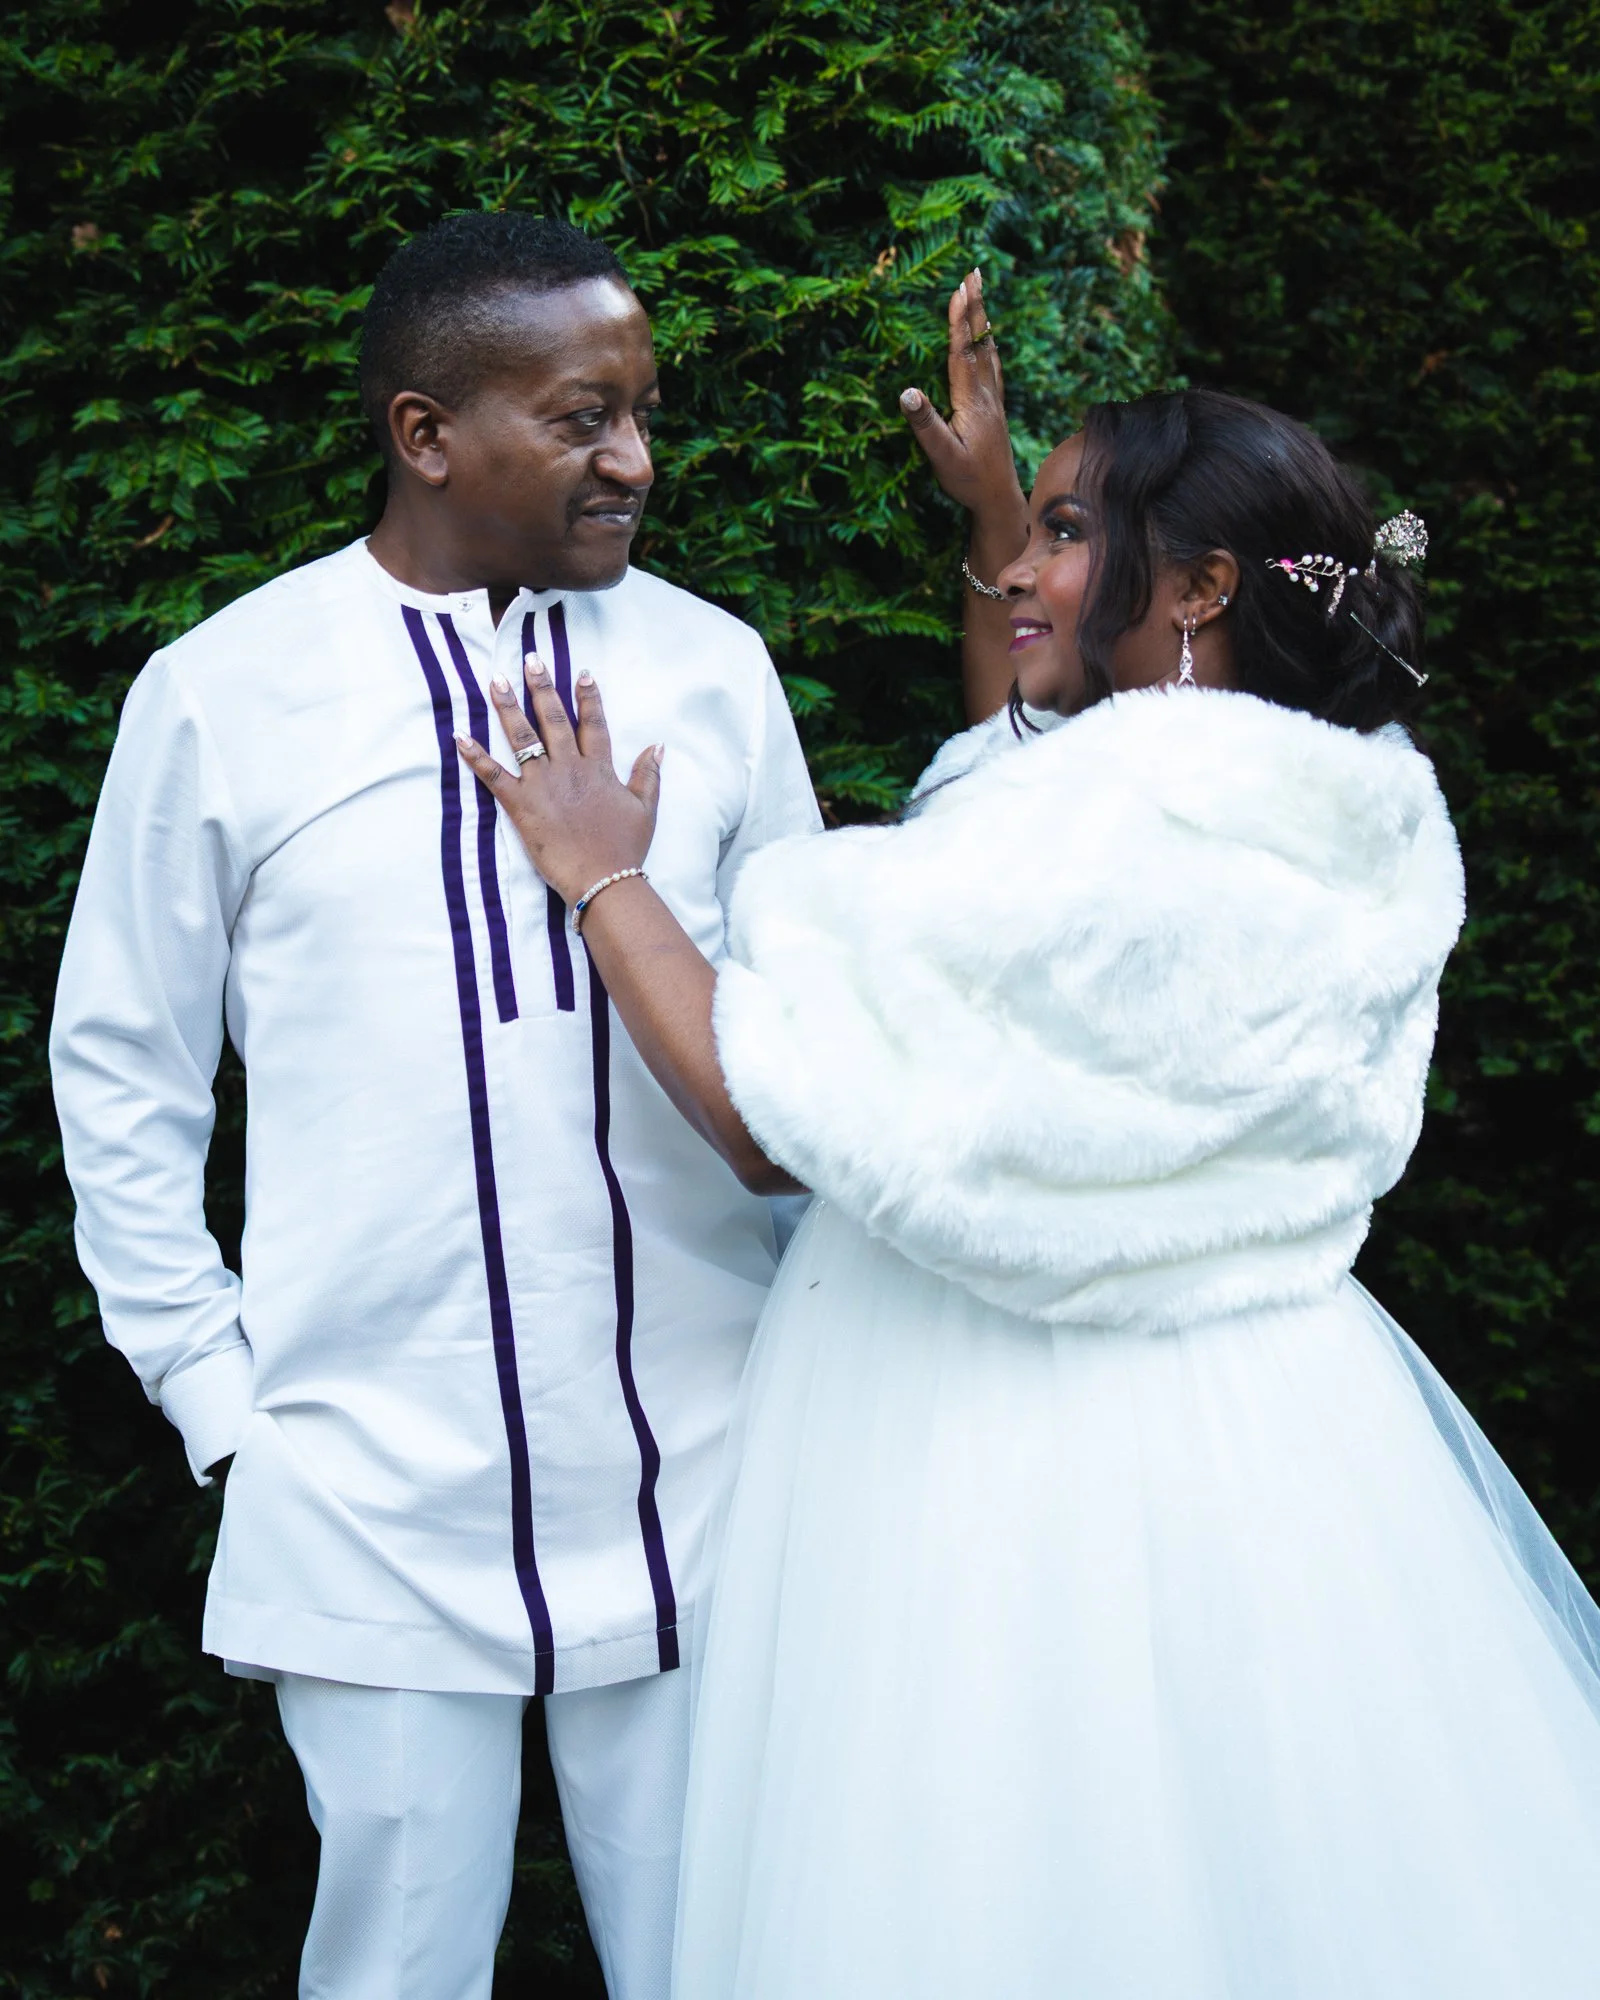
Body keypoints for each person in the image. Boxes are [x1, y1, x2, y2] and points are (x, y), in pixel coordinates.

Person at [452, 272, 1600, 1997]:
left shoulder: (1100, 841)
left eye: (1069, 537)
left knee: (996, 1874)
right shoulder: (1350, 807)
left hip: (1000, 1441)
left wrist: (601, 869)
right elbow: (1023, 784)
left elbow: (776, 1107)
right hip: (1266, 1429)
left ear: (1202, 587)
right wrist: (1004, 517)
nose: (1026, 577)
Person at [48, 210, 818, 2000]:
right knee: (395, 1962)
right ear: (426, 433)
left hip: (704, 1463)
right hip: (365, 1481)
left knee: (729, 1951)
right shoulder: (225, 693)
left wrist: (804, 1366)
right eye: (581, 416)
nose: (634, 455)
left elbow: (800, 1037)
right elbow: (123, 1065)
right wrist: (221, 1398)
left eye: (642, 409)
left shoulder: (715, 669)